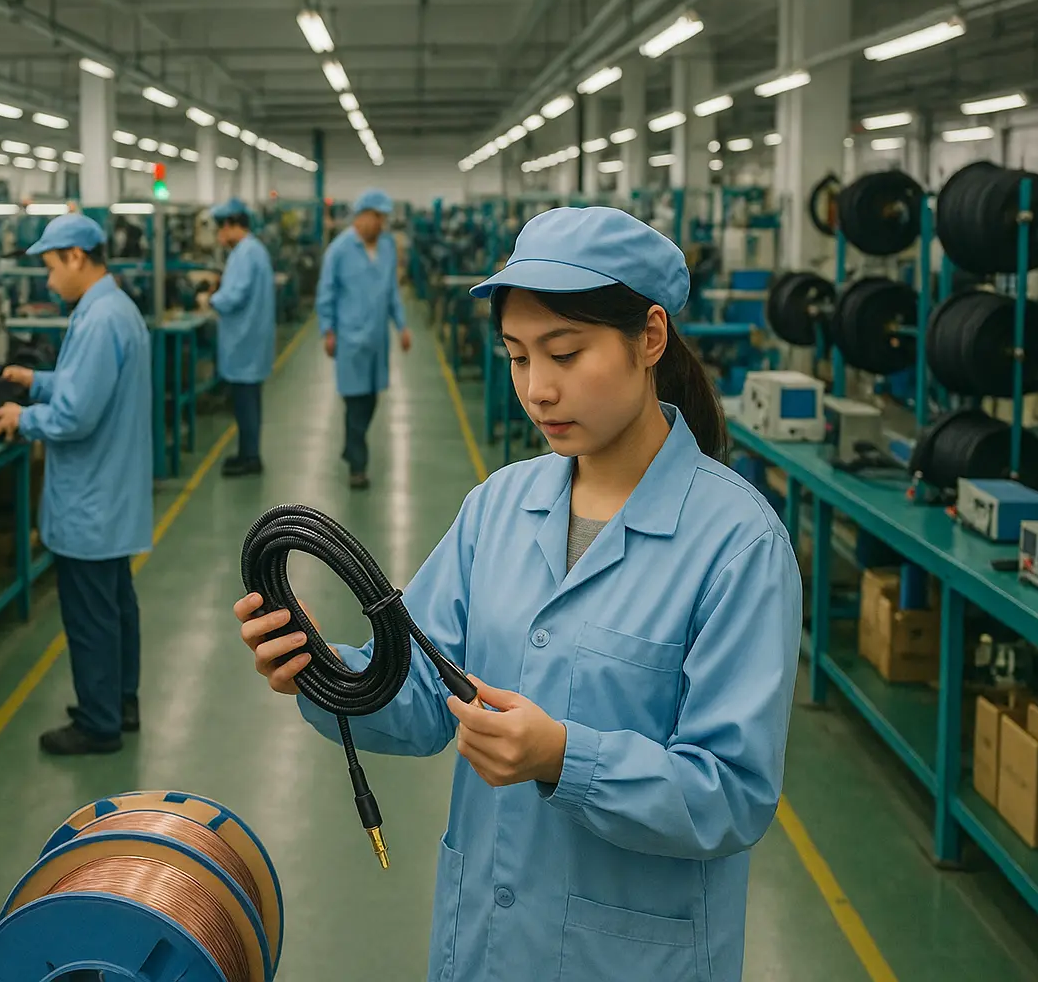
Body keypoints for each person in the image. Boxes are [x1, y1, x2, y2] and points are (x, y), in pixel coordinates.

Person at [235, 207, 802, 980]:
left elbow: (732, 794)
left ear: (650, 338)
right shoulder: (497, 508)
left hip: (630, 959)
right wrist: (321, 668)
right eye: (516, 356)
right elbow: (425, 697)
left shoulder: (737, 545)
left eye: (565, 353)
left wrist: (565, 758)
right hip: (487, 951)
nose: (538, 389)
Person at [0, 213, 153, 755]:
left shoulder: (98, 318)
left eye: (51, 266)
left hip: (91, 498)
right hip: (113, 495)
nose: (48, 280)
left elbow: (75, 415)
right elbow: (86, 382)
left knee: (89, 617)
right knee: (116, 606)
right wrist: (36, 381)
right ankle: (121, 701)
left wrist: (23, 417)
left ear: (77, 257)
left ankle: (98, 721)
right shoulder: (114, 309)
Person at [315, 188, 412, 489]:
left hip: (376, 341)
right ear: (362, 216)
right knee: (355, 403)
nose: (382, 225)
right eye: (378, 218)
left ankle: (351, 448)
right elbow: (326, 293)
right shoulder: (339, 250)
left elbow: (392, 292)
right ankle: (358, 466)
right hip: (350, 340)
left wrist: (402, 326)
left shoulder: (385, 247)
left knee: (369, 401)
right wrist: (327, 330)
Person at [197, 197, 275, 477]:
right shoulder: (254, 250)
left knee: (245, 403)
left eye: (220, 229)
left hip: (245, 341)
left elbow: (235, 295)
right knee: (248, 401)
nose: (219, 237)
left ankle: (250, 458)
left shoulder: (245, 253)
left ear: (231, 225)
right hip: (251, 339)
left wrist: (210, 300)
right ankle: (247, 452)